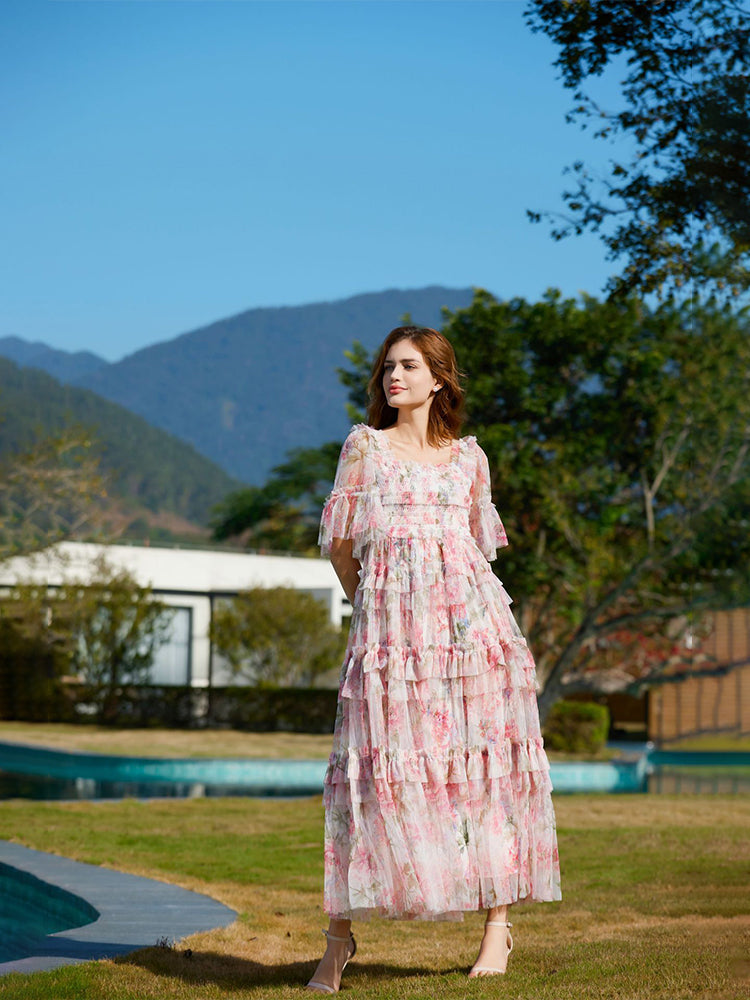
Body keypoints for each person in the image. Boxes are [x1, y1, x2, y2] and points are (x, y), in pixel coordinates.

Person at [307, 326, 561, 993]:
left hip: (473, 641)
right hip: (391, 643)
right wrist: (369, 610)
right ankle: (338, 940)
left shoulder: (468, 460)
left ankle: (497, 926)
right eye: (388, 366)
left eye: (409, 366)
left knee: (484, 778)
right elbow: (340, 547)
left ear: (439, 379)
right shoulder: (365, 449)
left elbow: (476, 552)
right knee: (367, 779)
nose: (394, 376)